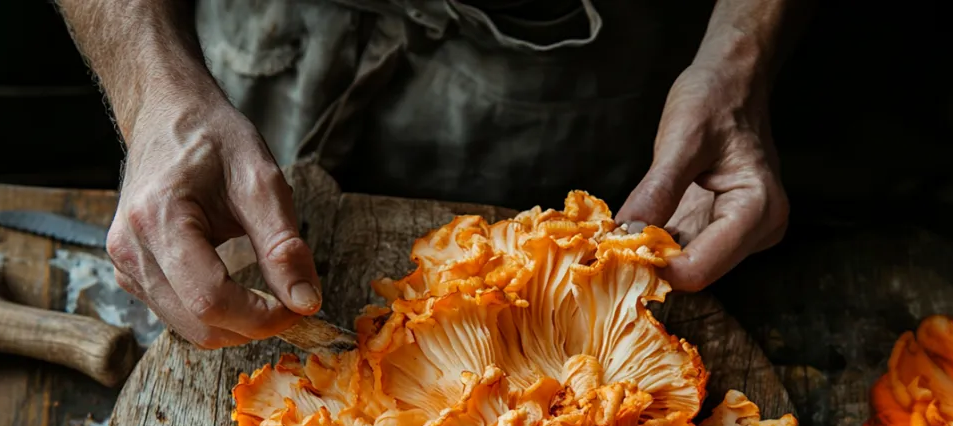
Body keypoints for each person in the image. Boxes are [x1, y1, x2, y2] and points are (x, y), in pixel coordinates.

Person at [57, 0, 799, 348]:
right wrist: (153, 88)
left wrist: (741, 60)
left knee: (586, 295)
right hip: (272, 32)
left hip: (572, 66)